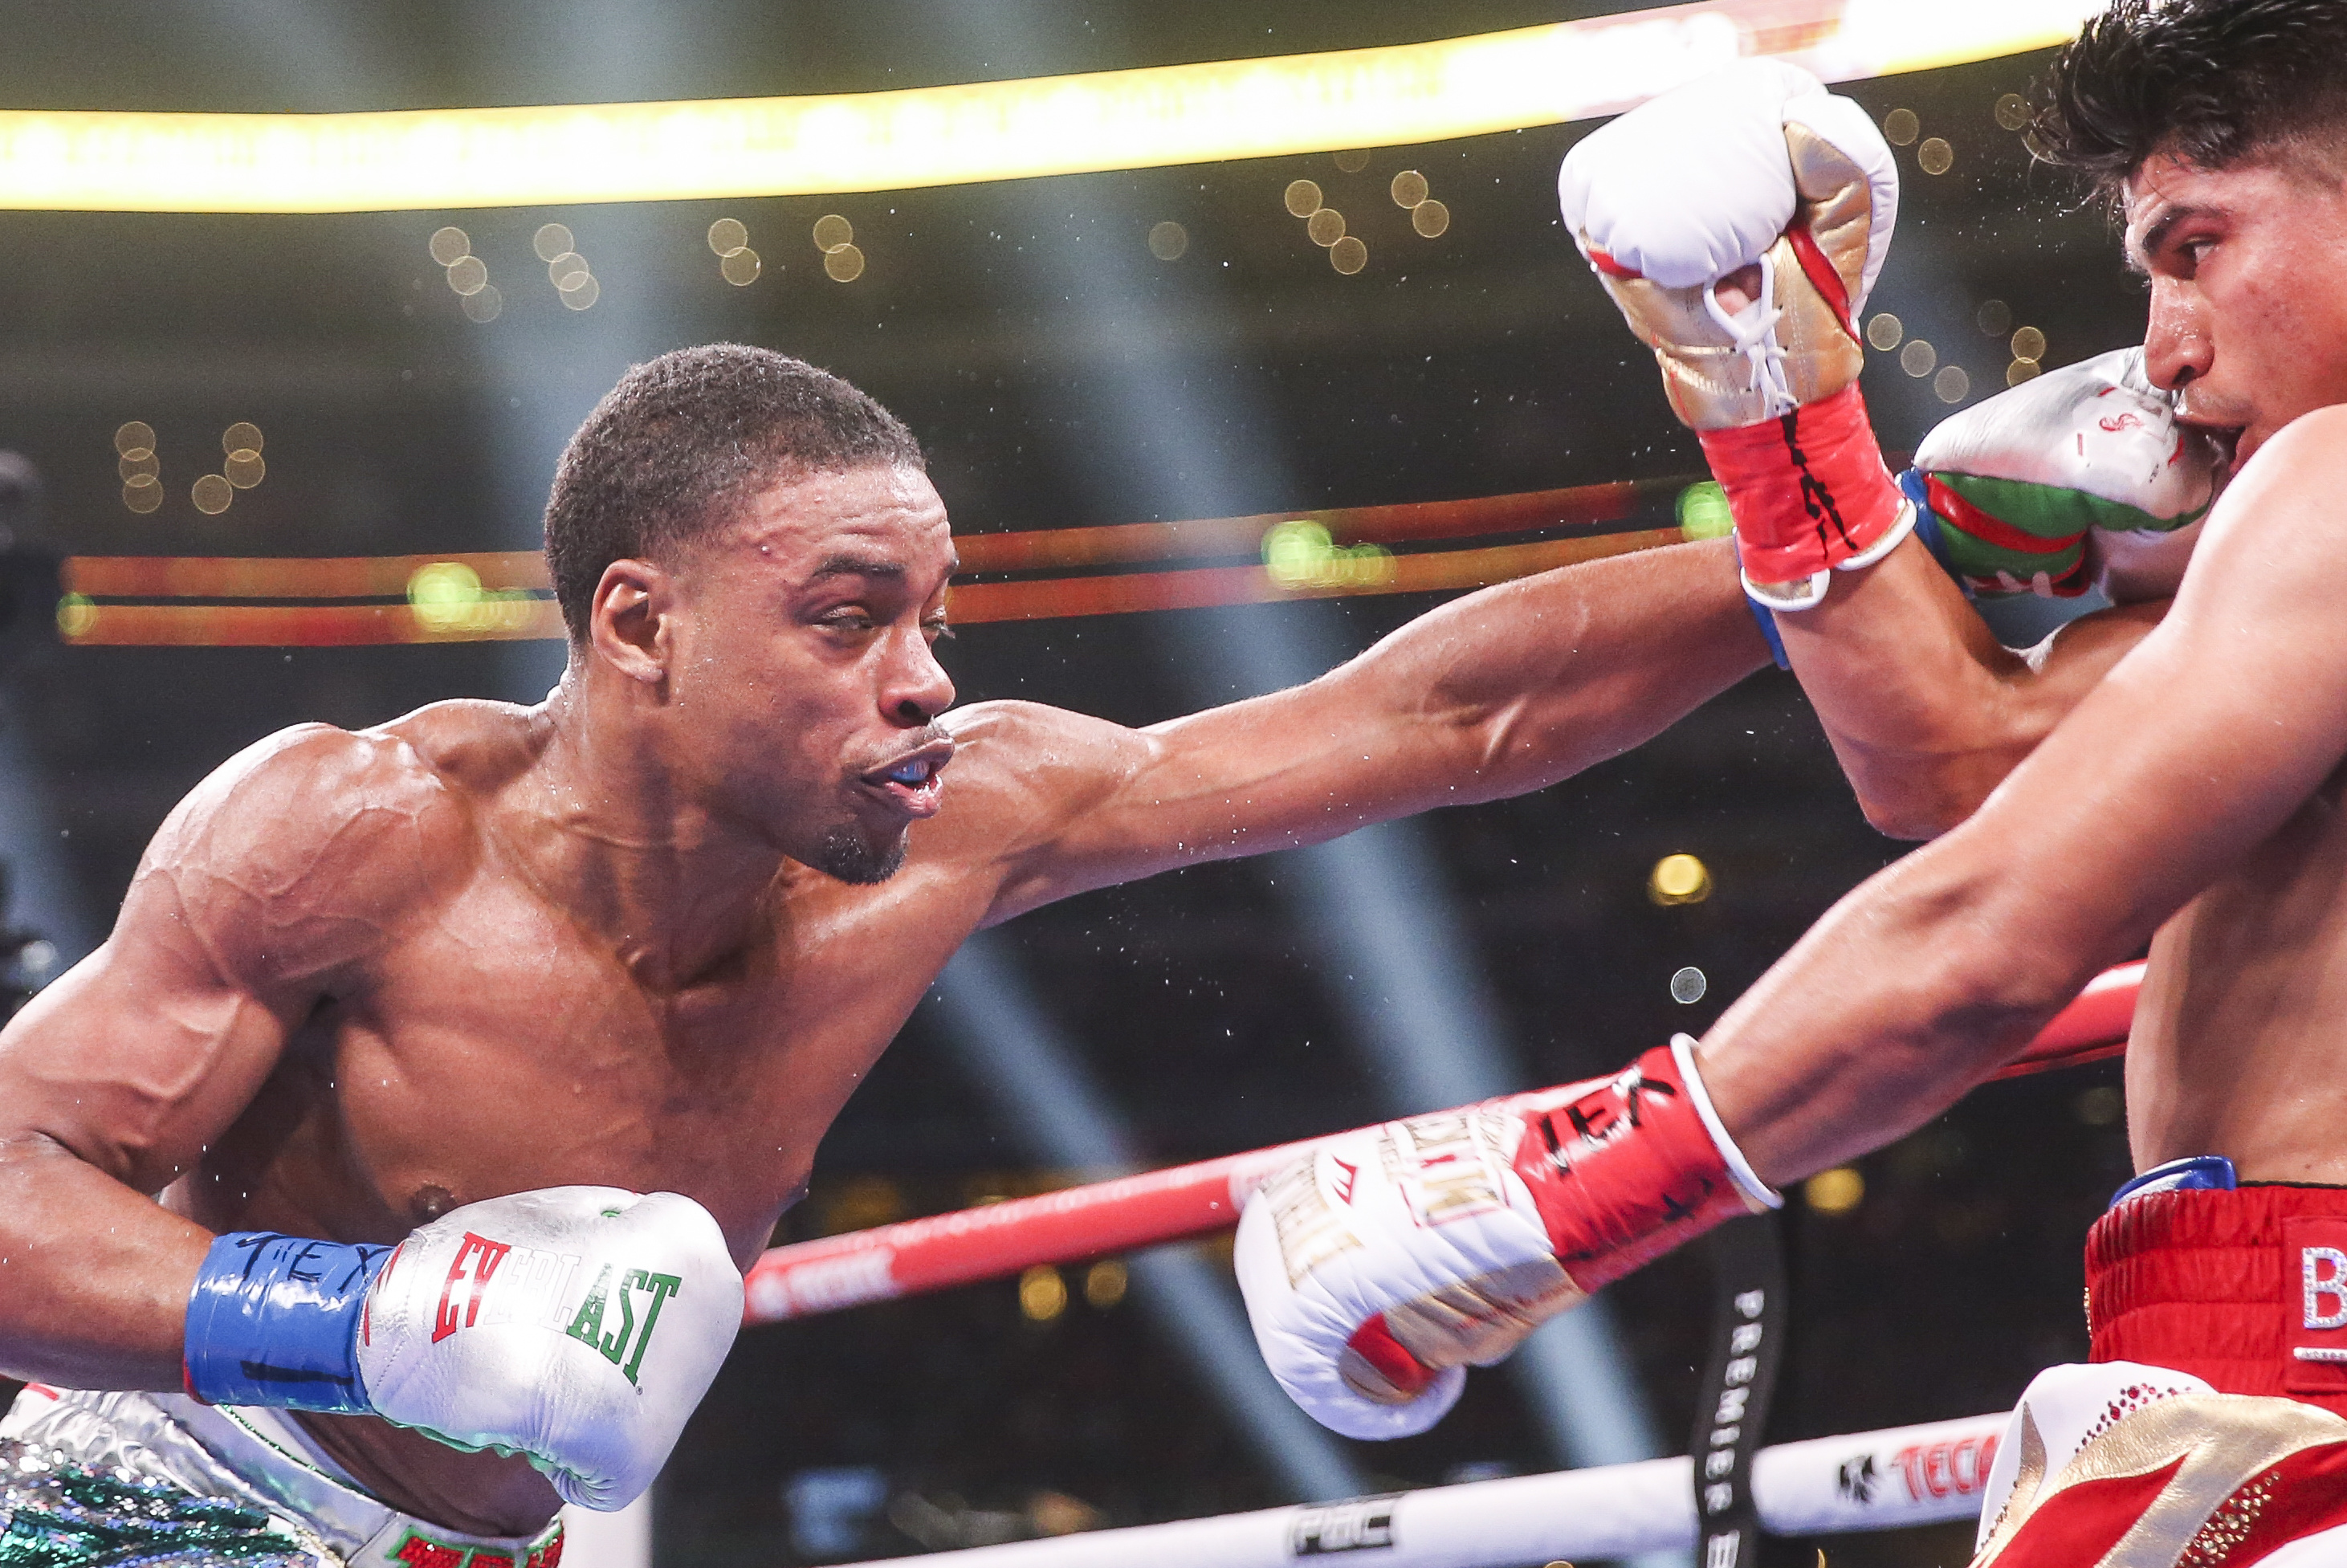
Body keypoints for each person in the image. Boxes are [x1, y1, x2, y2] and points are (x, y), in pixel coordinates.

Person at [0, 342, 1776, 1565]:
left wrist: (1836, 541)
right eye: (848, 618)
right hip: (151, 1500)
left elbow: (1440, 712)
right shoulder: (359, 834)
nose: (922, 677)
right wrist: (371, 1321)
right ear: (639, 622)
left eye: (934, 615)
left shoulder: (961, 820)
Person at [1237, 5, 2347, 1561]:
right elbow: (1956, 755)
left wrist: (1544, 1192)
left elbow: (1988, 924)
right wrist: (1772, 393)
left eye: (2194, 245)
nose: (2160, 346)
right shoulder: (2285, 571)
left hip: (2303, 1366)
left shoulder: (2331, 488)